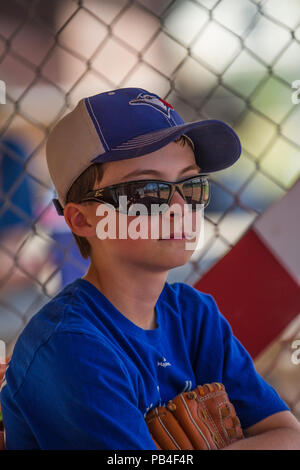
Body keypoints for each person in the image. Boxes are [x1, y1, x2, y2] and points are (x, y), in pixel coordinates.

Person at [1, 88, 300, 450]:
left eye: (190, 186)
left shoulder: (193, 313)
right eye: (148, 192)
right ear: (81, 220)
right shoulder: (69, 345)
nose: (179, 207)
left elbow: (287, 436)